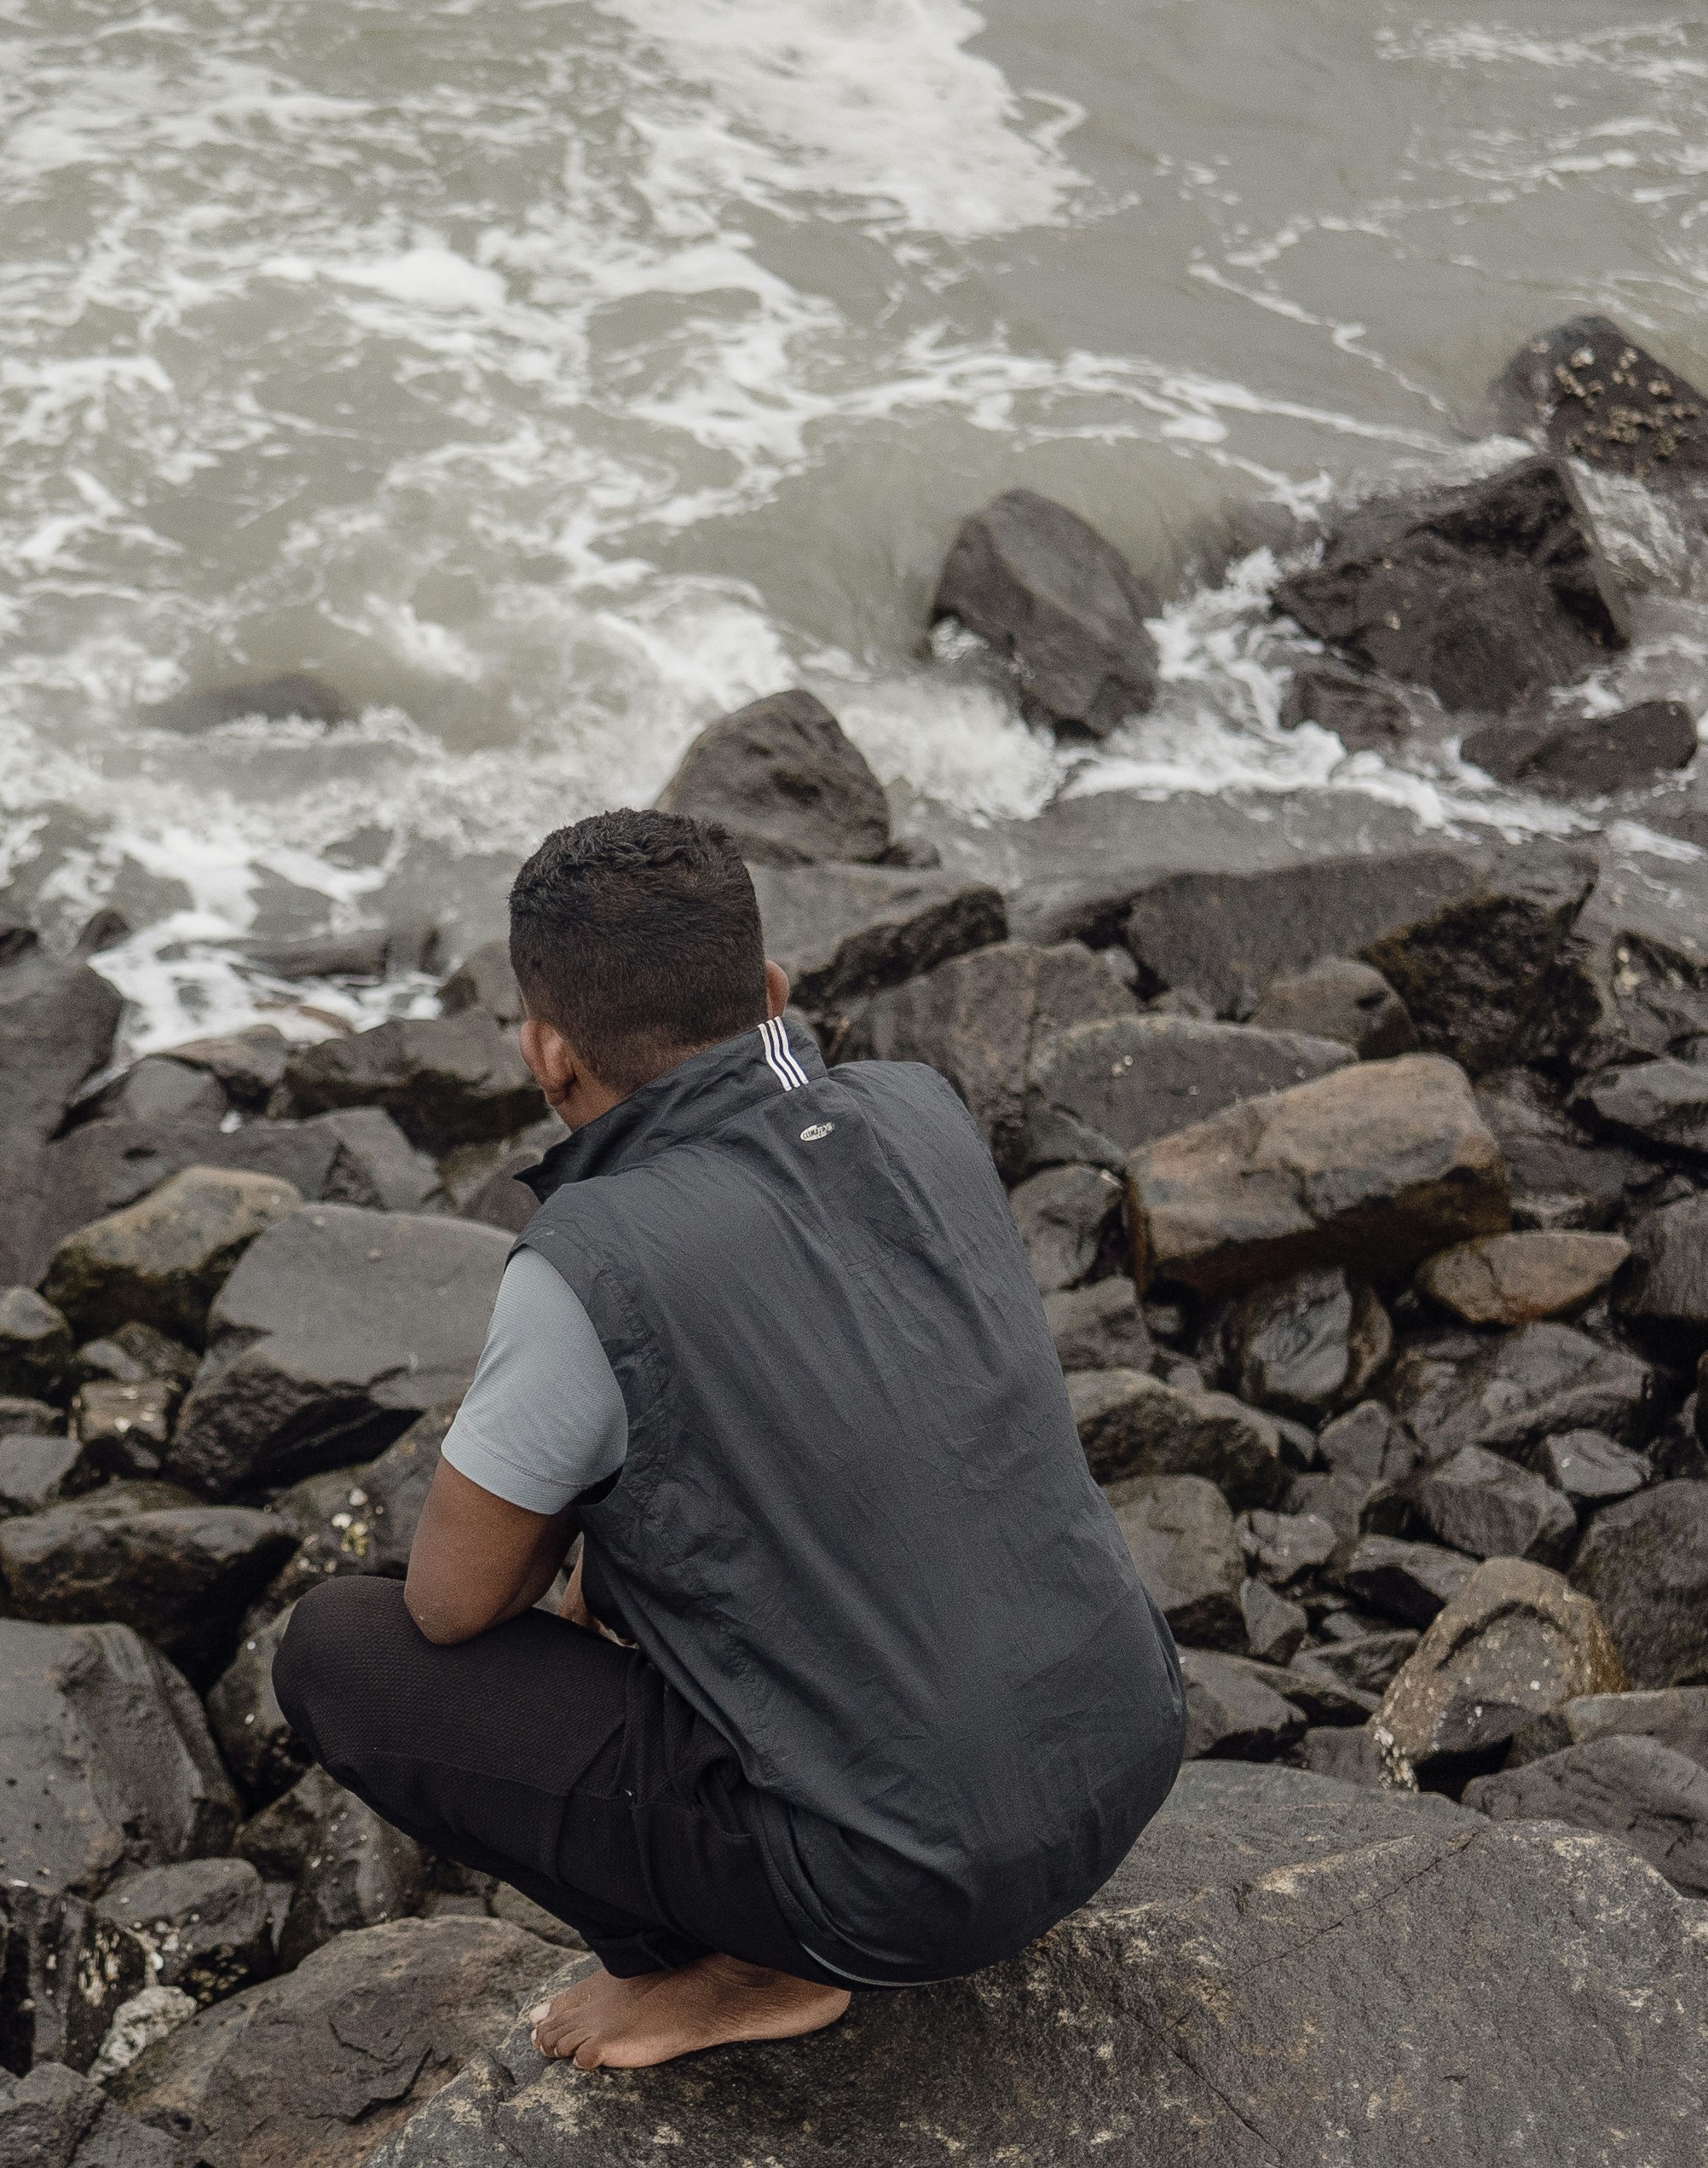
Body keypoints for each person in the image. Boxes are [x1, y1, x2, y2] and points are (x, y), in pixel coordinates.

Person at [273, 807, 1183, 2067]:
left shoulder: (586, 1263)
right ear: (769, 992)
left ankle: (741, 1964)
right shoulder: (920, 1112)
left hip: (897, 1889)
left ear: (545, 1054)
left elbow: (450, 1604)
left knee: (340, 1649)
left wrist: (586, 1538)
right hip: (1124, 1758)